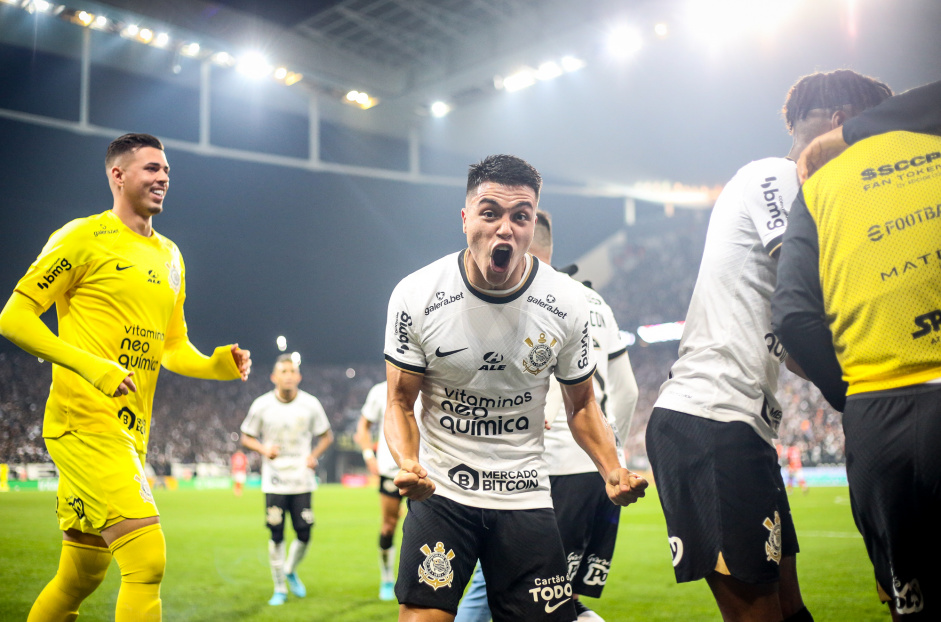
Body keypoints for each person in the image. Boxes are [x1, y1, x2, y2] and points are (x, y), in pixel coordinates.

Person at [645, 70, 892, 622]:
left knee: (791, 612)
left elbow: (799, 339)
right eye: (873, 137)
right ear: (843, 124)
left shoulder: (802, 197)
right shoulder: (778, 176)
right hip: (708, 420)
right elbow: (805, 304)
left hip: (743, 430)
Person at [383, 154, 647, 622]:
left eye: (520, 216)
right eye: (490, 213)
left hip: (523, 492)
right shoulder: (416, 295)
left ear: (530, 226)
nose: (505, 228)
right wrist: (408, 463)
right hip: (443, 489)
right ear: (466, 220)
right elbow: (400, 400)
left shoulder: (567, 302)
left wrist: (612, 468)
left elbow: (583, 404)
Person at [0, 132, 252, 621]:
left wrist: (213, 365)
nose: (163, 179)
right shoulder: (82, 236)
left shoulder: (172, 256)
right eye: (152, 169)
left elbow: (172, 347)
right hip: (84, 424)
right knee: (146, 559)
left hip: (130, 431)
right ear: (117, 174)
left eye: (167, 172)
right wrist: (92, 367)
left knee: (81, 574)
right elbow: (14, 317)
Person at [772, 81, 941, 619]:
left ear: (841, 120)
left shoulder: (818, 188)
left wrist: (856, 395)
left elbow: (794, 319)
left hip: (877, 424)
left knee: (908, 602)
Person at [454, 210, 639, 622]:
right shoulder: (595, 301)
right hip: (594, 474)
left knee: (498, 588)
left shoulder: (530, 296)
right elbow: (627, 391)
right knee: (558, 599)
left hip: (541, 472)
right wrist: (610, 458)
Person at [240, 354, 333, 606]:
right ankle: (279, 587)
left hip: (302, 479)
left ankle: (289, 569)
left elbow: (327, 436)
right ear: (274, 377)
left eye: (292, 371)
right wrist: (263, 449)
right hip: (275, 480)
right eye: (283, 371)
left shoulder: (310, 404)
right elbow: (246, 436)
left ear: (299, 376)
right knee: (276, 534)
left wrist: (313, 456)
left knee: (305, 532)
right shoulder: (262, 405)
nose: (288, 375)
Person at [355, 380, 412, 601]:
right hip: (390, 470)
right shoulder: (379, 391)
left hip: (424, 469)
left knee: (429, 526)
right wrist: (369, 455)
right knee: (389, 525)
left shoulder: (428, 383)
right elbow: (363, 426)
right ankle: (387, 578)